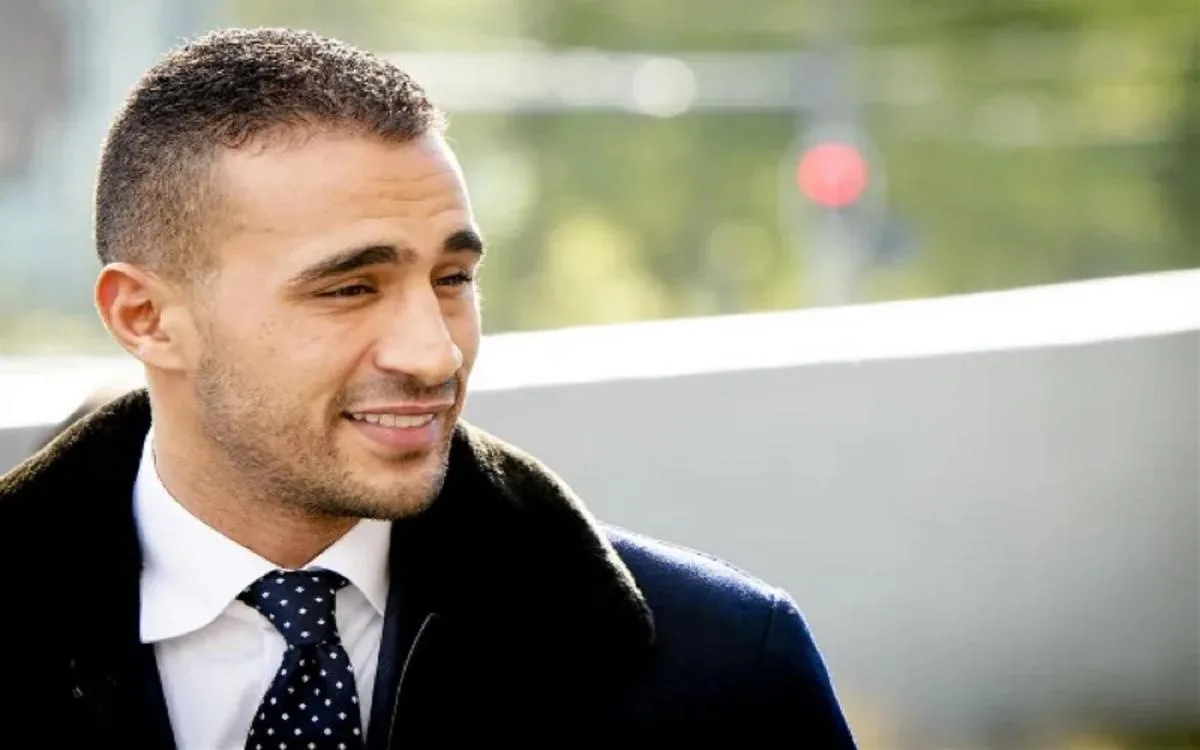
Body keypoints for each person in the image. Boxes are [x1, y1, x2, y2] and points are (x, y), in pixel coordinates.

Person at [0, 28, 858, 748]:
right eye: (350, 288)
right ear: (146, 317)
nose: (435, 353)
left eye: (452, 279)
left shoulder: (723, 669)